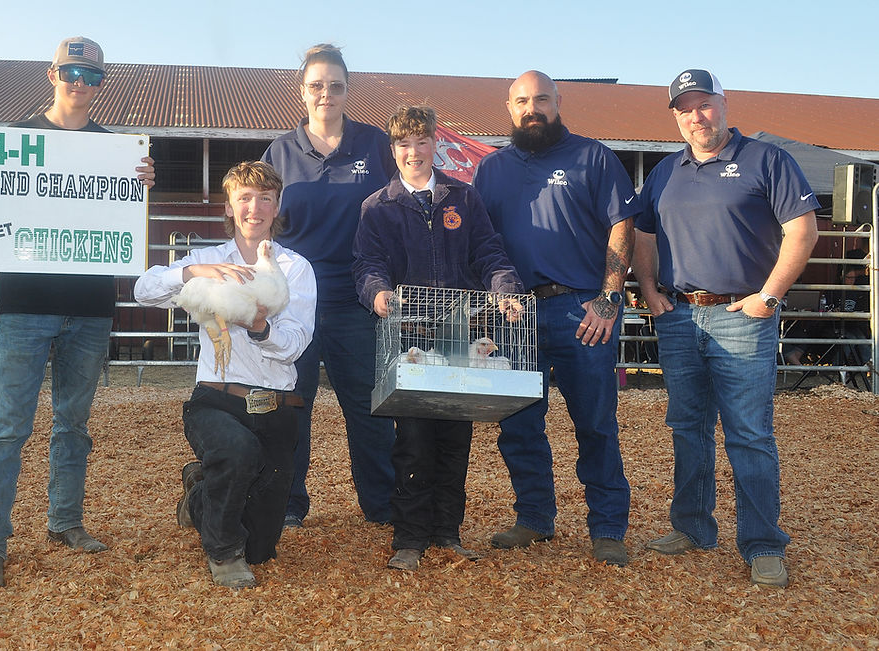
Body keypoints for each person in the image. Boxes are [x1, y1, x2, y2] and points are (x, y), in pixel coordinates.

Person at [0, 36, 156, 589]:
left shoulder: (117, 152)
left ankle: (65, 522)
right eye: (71, 71)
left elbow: (124, 224)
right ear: (52, 74)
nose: (80, 82)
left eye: (92, 75)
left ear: (102, 82)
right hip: (26, 307)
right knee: (9, 426)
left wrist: (142, 187)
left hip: (89, 310)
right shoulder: (10, 141)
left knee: (73, 425)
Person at [632, 69, 820, 587]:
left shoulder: (766, 160)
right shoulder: (665, 171)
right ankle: (693, 527)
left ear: (723, 103)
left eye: (704, 104)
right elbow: (643, 233)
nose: (697, 116)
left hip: (743, 317)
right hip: (677, 315)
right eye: (685, 108)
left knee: (749, 433)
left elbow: (801, 231)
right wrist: (649, 290)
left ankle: (762, 544)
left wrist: (769, 296)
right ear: (675, 116)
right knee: (687, 427)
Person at [472, 70, 635, 566]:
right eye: (522, 101)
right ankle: (534, 518)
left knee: (595, 423)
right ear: (508, 107)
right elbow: (480, 242)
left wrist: (609, 299)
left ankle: (607, 527)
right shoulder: (492, 168)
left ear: (558, 101)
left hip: (581, 309)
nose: (532, 108)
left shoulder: (593, 156)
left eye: (541, 98)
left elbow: (621, 225)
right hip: (514, 312)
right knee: (519, 424)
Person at [352, 105, 523, 570]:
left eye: (422, 142)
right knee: (412, 442)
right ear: (393, 151)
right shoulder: (377, 208)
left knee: (454, 438)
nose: (414, 152)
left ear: (434, 145)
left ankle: (448, 531)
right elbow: (367, 265)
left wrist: (505, 291)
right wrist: (378, 294)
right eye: (404, 145)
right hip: (409, 339)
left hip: (460, 337)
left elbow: (490, 253)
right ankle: (409, 538)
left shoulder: (463, 199)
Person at [134, 161, 316, 588]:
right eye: (244, 198)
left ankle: (200, 491)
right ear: (230, 207)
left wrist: (258, 326)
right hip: (217, 398)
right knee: (236, 454)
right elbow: (144, 289)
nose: (255, 208)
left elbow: (295, 345)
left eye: (265, 199)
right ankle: (223, 552)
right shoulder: (208, 260)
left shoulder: (295, 269)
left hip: (274, 404)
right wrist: (194, 272)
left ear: (277, 206)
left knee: (264, 547)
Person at [262, 44, 396, 527]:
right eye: (316, 85)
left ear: (347, 90)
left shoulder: (375, 144)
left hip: (357, 301)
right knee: (291, 405)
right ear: (302, 91)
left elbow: (408, 194)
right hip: (294, 303)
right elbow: (255, 216)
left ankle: (383, 506)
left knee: (369, 407)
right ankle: (288, 505)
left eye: (335, 86)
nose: (326, 94)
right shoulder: (279, 151)